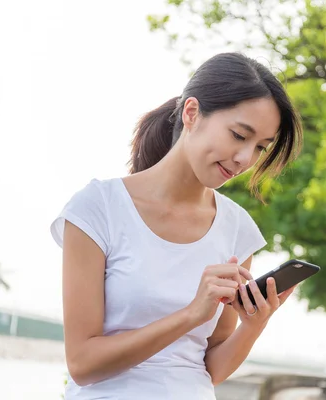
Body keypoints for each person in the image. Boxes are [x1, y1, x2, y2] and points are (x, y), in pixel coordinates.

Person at [50, 52, 303, 399]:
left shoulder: (236, 229)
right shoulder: (98, 208)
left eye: (260, 147)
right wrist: (190, 315)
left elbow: (210, 369)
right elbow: (82, 364)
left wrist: (253, 326)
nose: (245, 159)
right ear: (192, 113)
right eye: (238, 135)